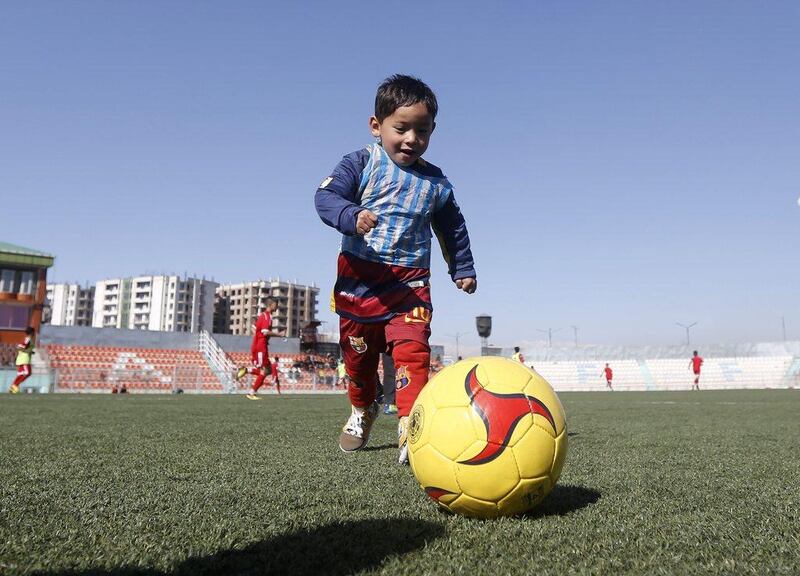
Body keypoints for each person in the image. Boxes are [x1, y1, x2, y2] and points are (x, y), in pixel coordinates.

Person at [315, 74, 477, 464]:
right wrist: (351, 215)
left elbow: (453, 228)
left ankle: (411, 423)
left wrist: (463, 267)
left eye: (421, 131)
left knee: (413, 351)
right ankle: (362, 408)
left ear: (432, 131)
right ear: (377, 126)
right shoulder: (361, 163)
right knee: (359, 361)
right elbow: (325, 197)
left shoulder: (437, 184)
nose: (411, 139)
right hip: (360, 281)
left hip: (410, 285)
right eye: (401, 128)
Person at [234, 297, 285, 400]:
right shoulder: (267, 316)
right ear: (271, 305)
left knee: (268, 370)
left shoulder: (262, 316)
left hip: (259, 345)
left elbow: (254, 328)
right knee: (264, 371)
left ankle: (247, 370)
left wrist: (258, 338)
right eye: (276, 304)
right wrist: (279, 335)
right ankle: (251, 393)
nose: (277, 306)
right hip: (261, 346)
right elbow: (264, 332)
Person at [10, 327, 35, 394]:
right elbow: (19, 347)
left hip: (25, 359)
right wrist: (27, 351)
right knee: (27, 373)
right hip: (24, 359)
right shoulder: (28, 339)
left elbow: (23, 348)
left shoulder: (29, 339)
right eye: (34, 332)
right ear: (32, 332)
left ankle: (13, 387)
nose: (34, 334)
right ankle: (15, 386)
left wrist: (30, 352)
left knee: (22, 374)